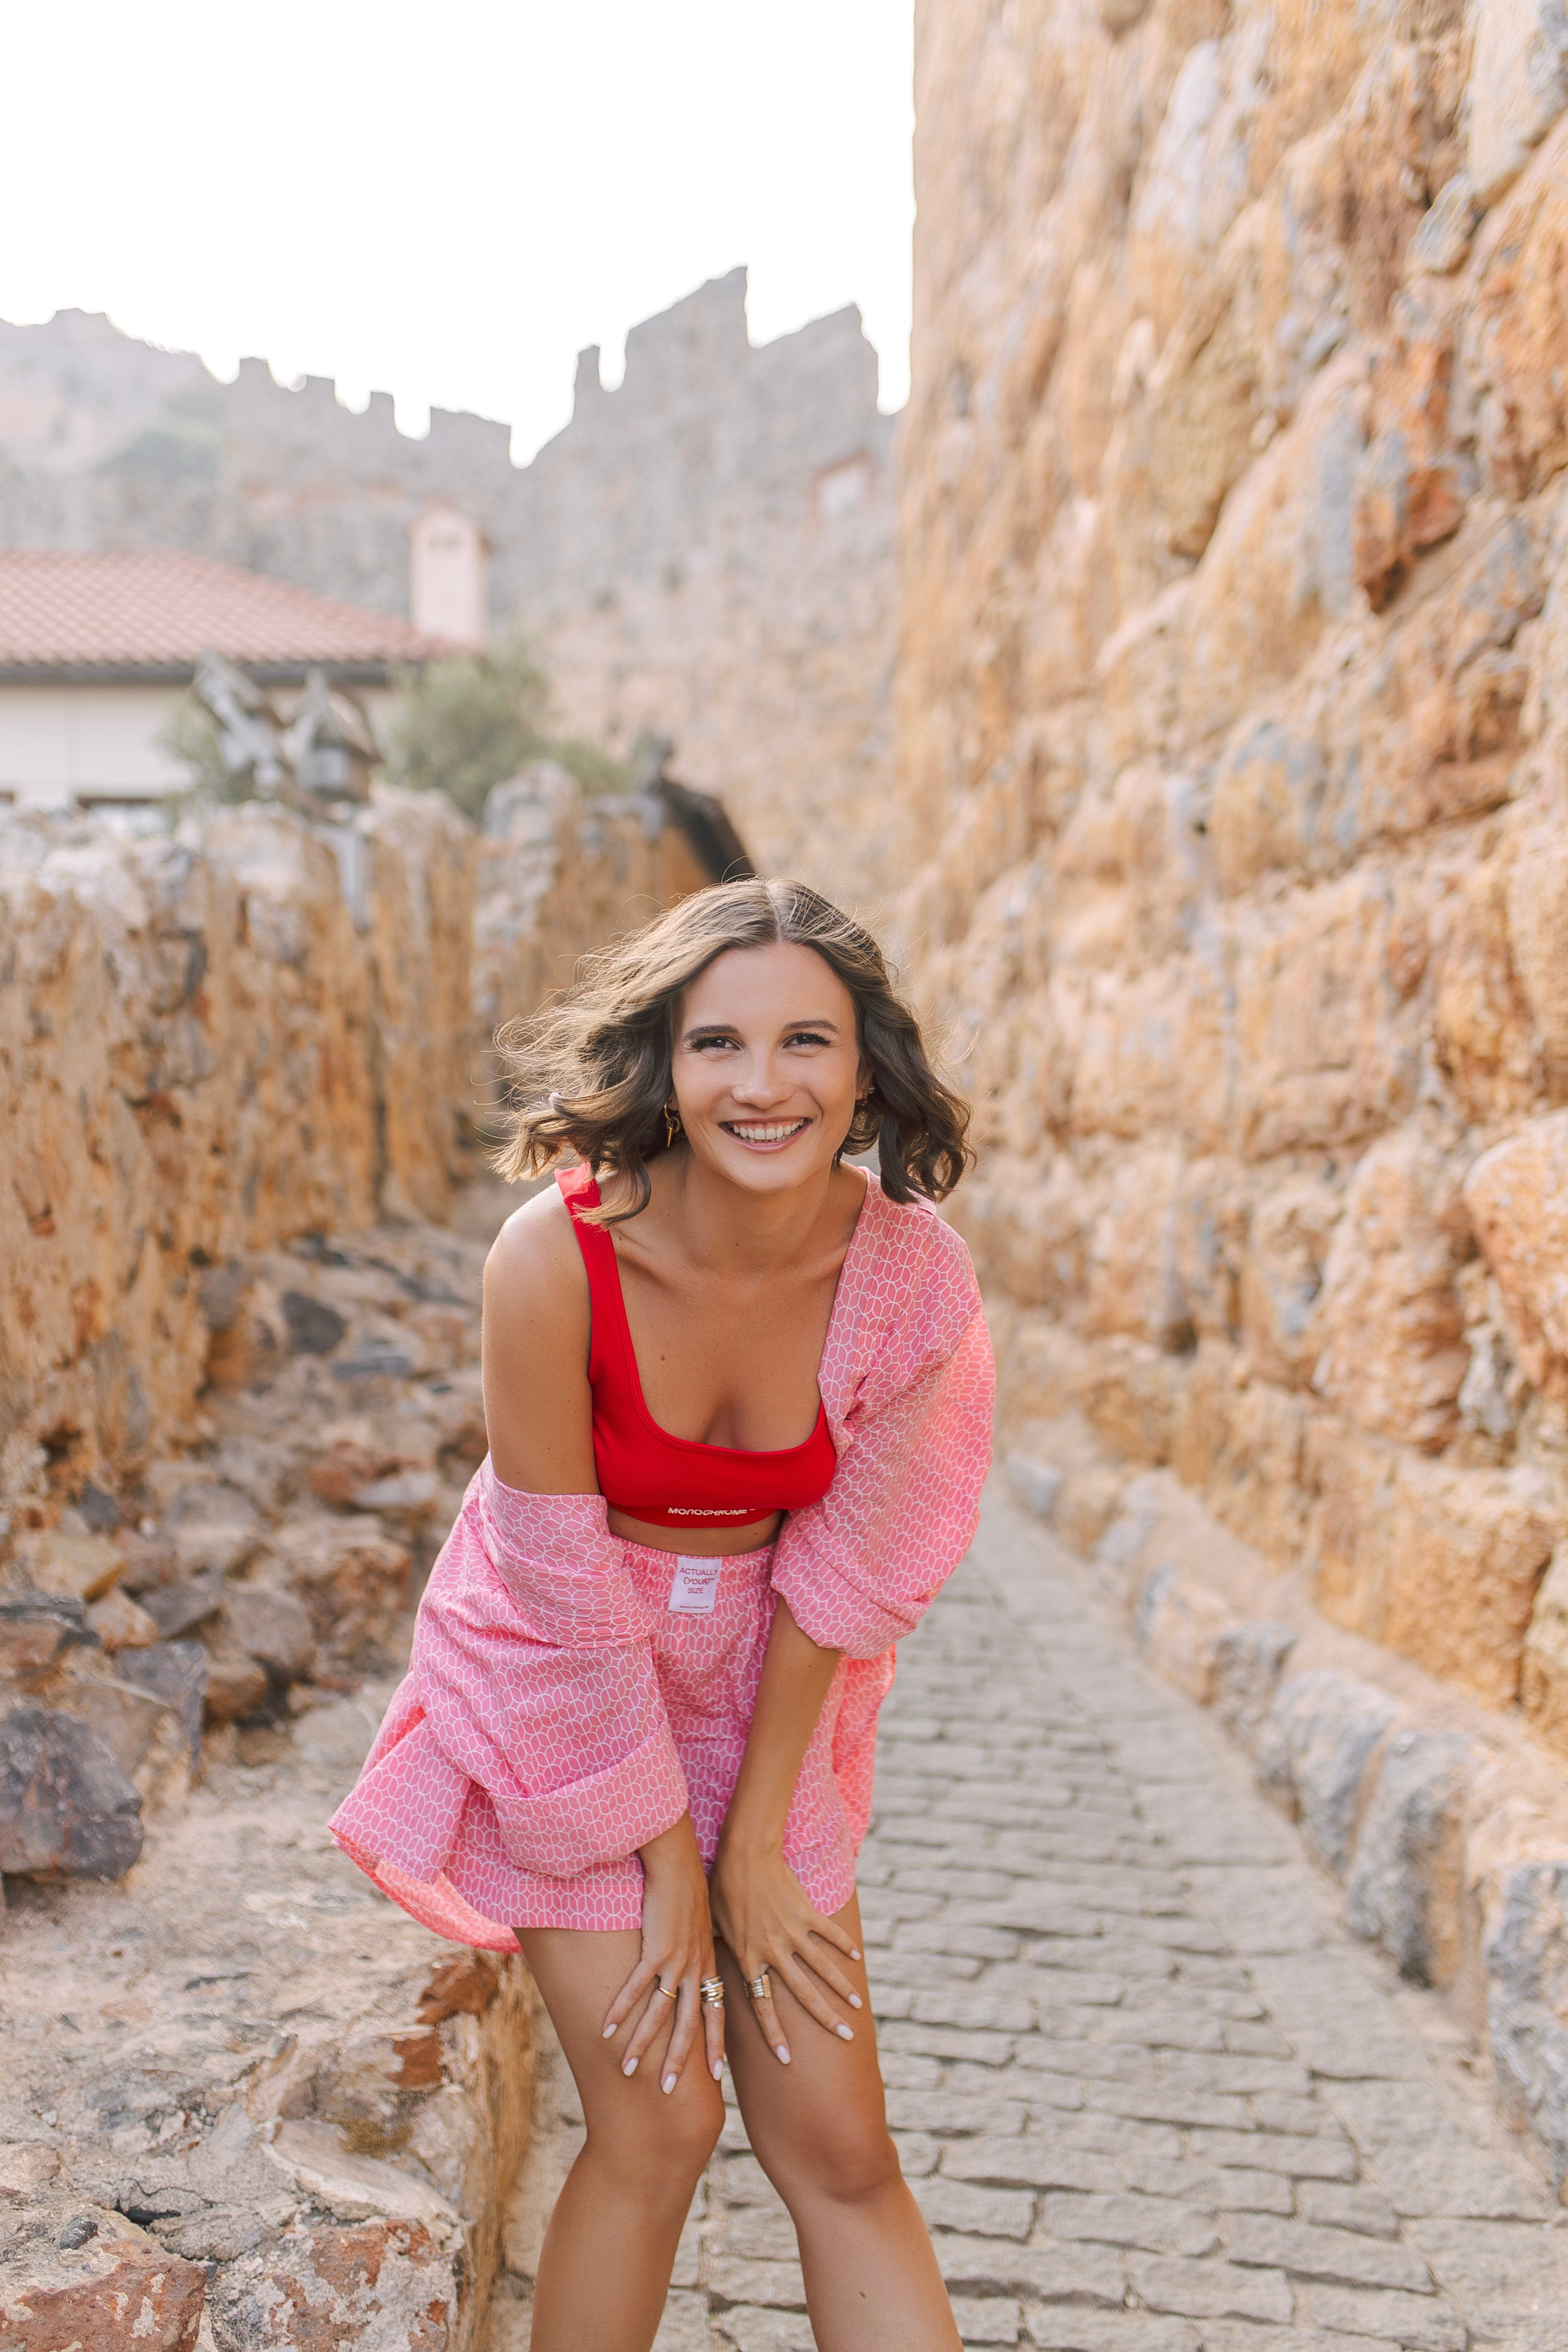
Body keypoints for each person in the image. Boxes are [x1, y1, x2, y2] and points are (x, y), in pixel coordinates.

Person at [330, 878, 994, 2351]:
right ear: (664, 1067)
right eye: (719, 1046)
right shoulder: (551, 1258)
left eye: (806, 1043)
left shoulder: (909, 1280)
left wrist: (753, 1837)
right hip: (561, 1688)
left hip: (764, 1678)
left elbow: (851, 1572)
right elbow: (557, 1581)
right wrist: (659, 1858)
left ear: (867, 1065)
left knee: (835, 2142)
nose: (763, 1087)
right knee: (661, 2122)